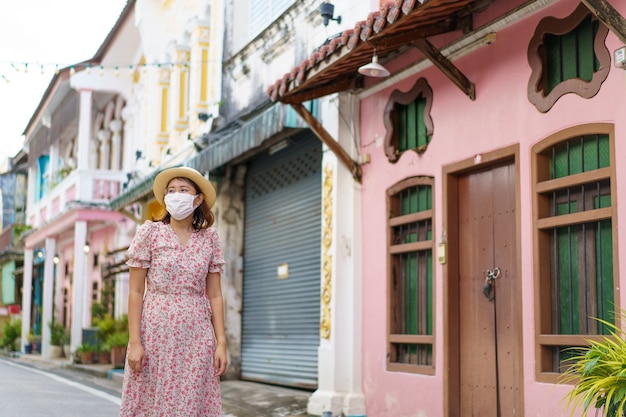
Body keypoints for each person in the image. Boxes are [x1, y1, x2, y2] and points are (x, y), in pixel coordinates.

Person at [119, 166, 227, 417]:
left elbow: (215, 295)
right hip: (155, 334)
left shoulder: (209, 239)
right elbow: (135, 292)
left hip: (197, 337)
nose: (176, 195)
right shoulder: (150, 233)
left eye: (183, 190)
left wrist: (220, 342)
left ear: (198, 198)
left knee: (191, 403)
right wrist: (135, 342)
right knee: (151, 403)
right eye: (171, 191)